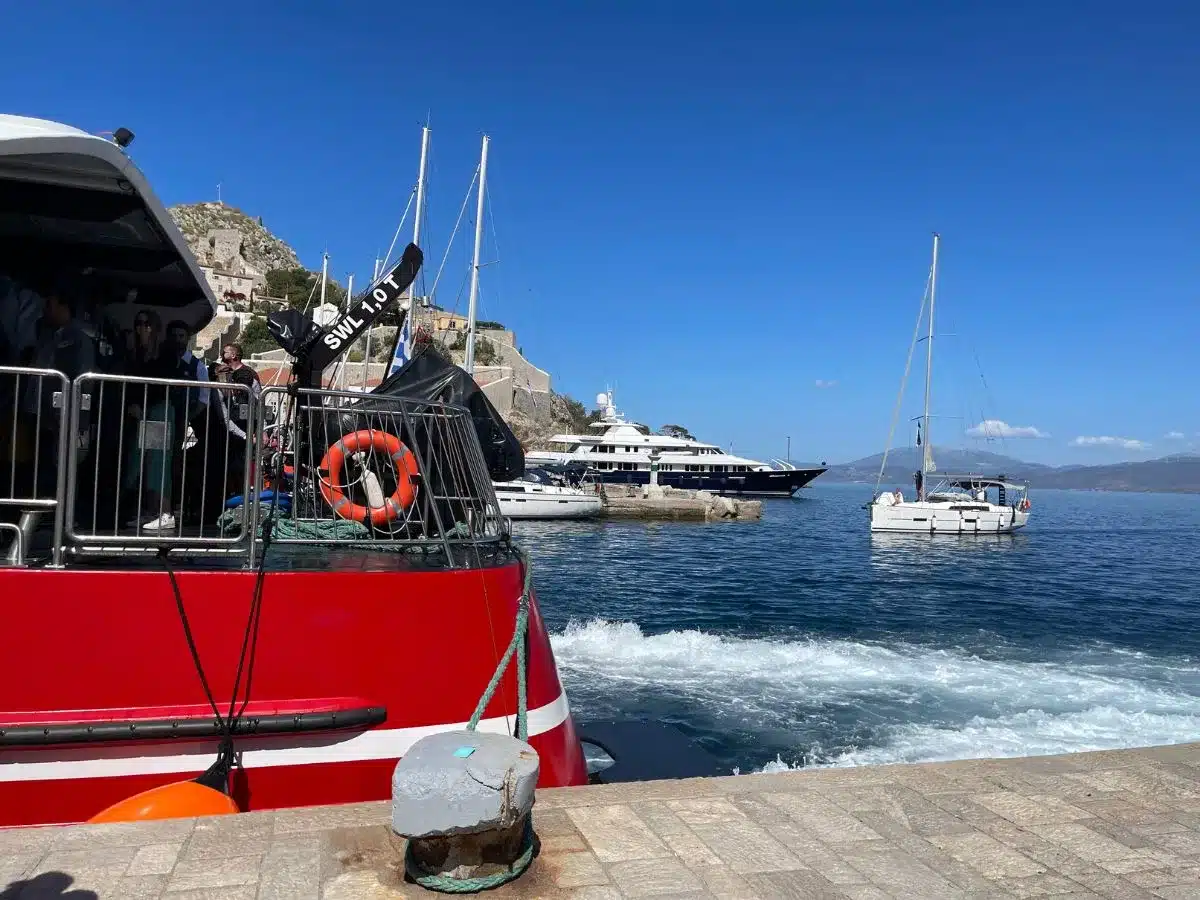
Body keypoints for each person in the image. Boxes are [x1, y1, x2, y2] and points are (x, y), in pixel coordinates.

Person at [120, 310, 177, 530]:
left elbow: (159, 382)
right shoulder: (137, 352)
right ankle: (152, 511)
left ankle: (164, 512)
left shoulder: (164, 352)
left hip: (158, 409)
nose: (142, 328)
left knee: (158, 463)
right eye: (138, 323)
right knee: (141, 463)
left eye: (146, 324)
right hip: (144, 410)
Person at [164, 320, 211, 527]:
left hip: (180, 421)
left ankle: (172, 509)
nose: (177, 340)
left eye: (181, 336)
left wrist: (186, 417)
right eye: (174, 336)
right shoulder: (161, 361)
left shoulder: (197, 366)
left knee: (174, 464)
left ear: (188, 338)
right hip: (159, 418)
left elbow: (203, 398)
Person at [217, 344, 261, 499]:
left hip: (246, 427)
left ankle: (243, 497)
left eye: (225, 351)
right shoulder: (222, 374)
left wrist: (259, 431)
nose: (222, 354)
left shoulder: (250, 375)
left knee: (243, 464)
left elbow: (258, 402)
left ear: (234, 355)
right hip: (228, 428)